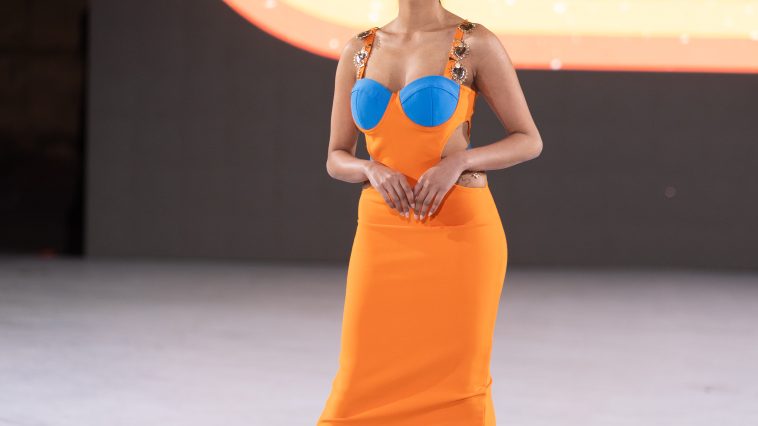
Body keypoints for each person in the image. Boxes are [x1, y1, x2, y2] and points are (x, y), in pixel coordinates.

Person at [319, 1, 543, 424]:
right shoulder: (359, 49)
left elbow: (528, 139)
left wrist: (460, 161)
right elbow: (336, 156)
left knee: (457, 385)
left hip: (459, 234)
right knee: (360, 381)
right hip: (381, 233)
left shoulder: (473, 42)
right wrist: (370, 169)